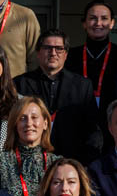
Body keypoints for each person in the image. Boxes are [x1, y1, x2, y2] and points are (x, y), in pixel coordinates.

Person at [14, 28, 101, 165]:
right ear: (38, 52)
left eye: (59, 49)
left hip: (72, 161)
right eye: (47, 48)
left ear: (66, 54)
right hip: (30, 162)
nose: (53, 53)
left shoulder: (82, 85)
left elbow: (92, 130)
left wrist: (85, 164)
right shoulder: (20, 84)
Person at [0, 96, 61, 196]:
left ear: (45, 123)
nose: (29, 123)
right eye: (22, 118)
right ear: (15, 124)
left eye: (34, 117)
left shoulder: (57, 164)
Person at [64, 0, 117, 112]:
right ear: (84, 23)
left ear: (112, 23)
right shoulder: (71, 55)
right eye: (93, 18)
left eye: (104, 18)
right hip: (77, 116)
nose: (98, 23)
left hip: (112, 118)